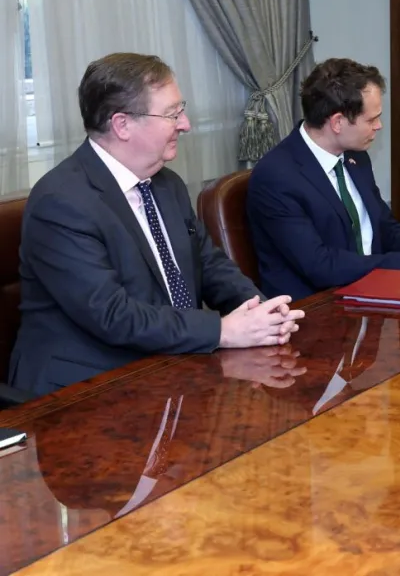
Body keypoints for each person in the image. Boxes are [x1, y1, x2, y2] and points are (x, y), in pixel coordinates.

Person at [8, 53, 304, 396]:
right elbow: (112, 315)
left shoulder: (167, 184)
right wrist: (221, 331)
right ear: (122, 125)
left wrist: (262, 312)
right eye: (172, 114)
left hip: (169, 367)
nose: (185, 124)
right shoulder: (61, 202)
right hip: (85, 389)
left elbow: (208, 264)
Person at [246, 58, 400, 299]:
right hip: (316, 307)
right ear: (337, 122)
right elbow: (319, 265)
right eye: (371, 120)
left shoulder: (355, 156)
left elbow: (382, 225)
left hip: (369, 293)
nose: (379, 126)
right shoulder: (276, 177)